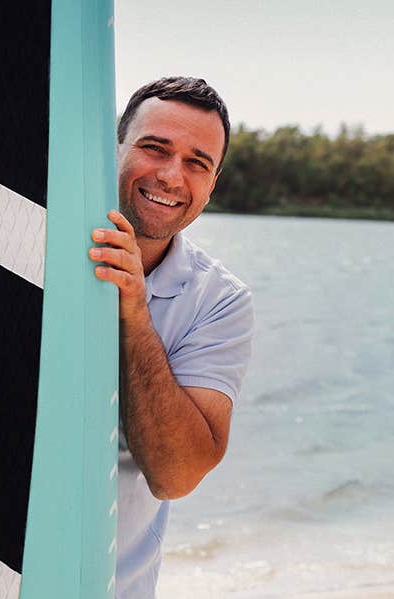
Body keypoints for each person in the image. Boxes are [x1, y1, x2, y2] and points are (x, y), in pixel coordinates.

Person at [89, 77, 253, 598]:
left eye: (196, 163)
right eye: (154, 148)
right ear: (112, 148)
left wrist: (134, 312)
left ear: (212, 183)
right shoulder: (30, 244)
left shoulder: (220, 300)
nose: (170, 176)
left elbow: (175, 477)